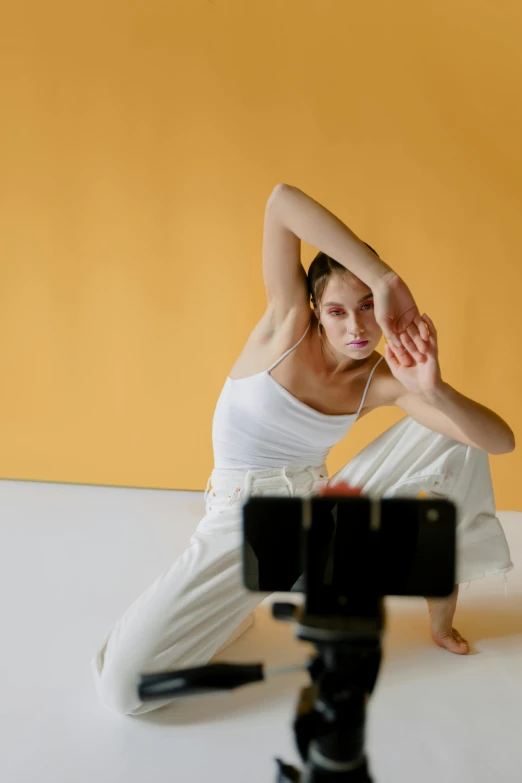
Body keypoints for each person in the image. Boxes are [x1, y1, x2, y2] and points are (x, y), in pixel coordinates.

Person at [91, 183, 515, 716]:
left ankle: (438, 571)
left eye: (367, 307)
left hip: (316, 520)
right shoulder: (285, 325)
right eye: (338, 311)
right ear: (315, 308)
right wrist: (386, 280)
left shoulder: (381, 378)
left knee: (455, 425)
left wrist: (433, 390)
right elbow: (280, 203)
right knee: (124, 691)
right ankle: (235, 604)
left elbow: (501, 443)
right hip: (241, 523)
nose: (358, 326)